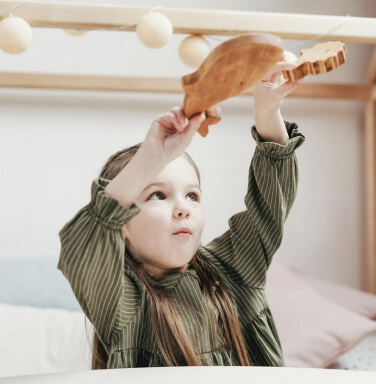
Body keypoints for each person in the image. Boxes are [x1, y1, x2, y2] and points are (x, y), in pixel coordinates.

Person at [57, 59, 305, 369]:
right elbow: (83, 245)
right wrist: (148, 159)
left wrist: (268, 111)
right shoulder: (123, 304)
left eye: (192, 195)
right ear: (122, 225)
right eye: (158, 195)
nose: (183, 208)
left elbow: (271, 200)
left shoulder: (234, 270)